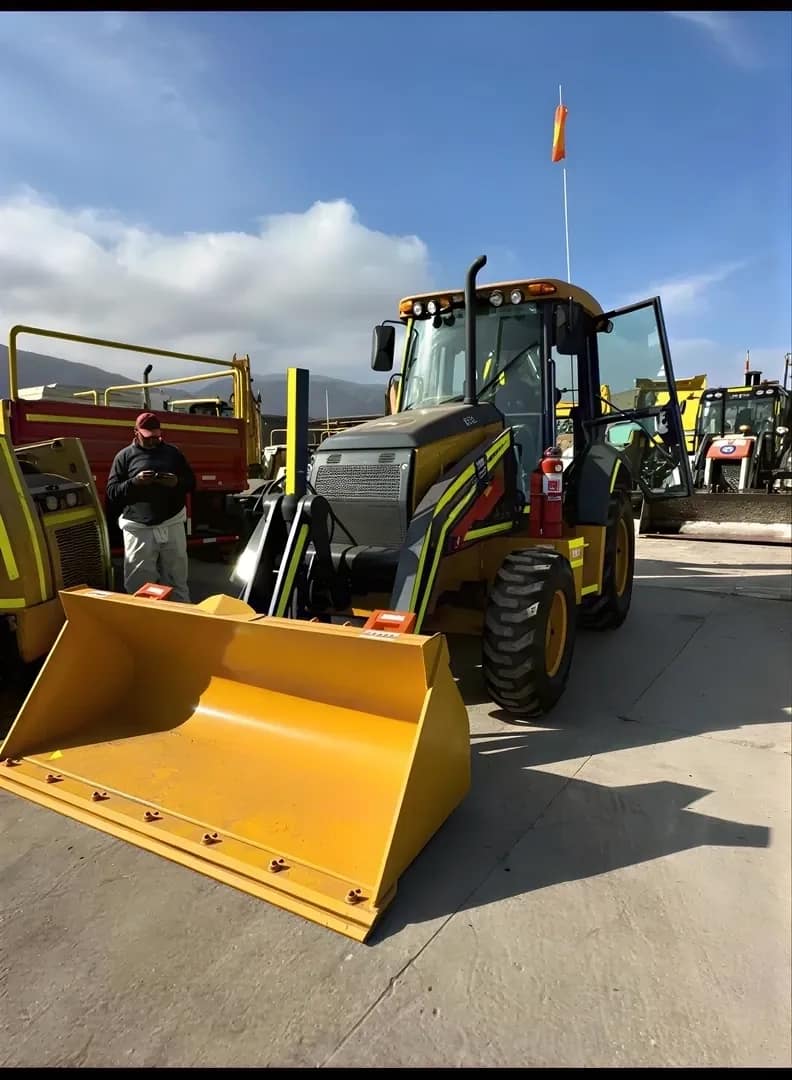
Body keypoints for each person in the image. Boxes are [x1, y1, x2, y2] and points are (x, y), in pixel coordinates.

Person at [106, 412, 196, 602]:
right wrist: (135, 482)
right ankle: (144, 621)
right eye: (148, 438)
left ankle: (182, 617)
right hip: (138, 528)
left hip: (171, 523)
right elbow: (112, 492)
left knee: (176, 577)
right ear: (136, 432)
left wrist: (176, 482)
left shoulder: (173, 453)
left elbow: (191, 483)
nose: (153, 441)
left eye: (157, 436)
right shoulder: (124, 457)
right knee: (140, 583)